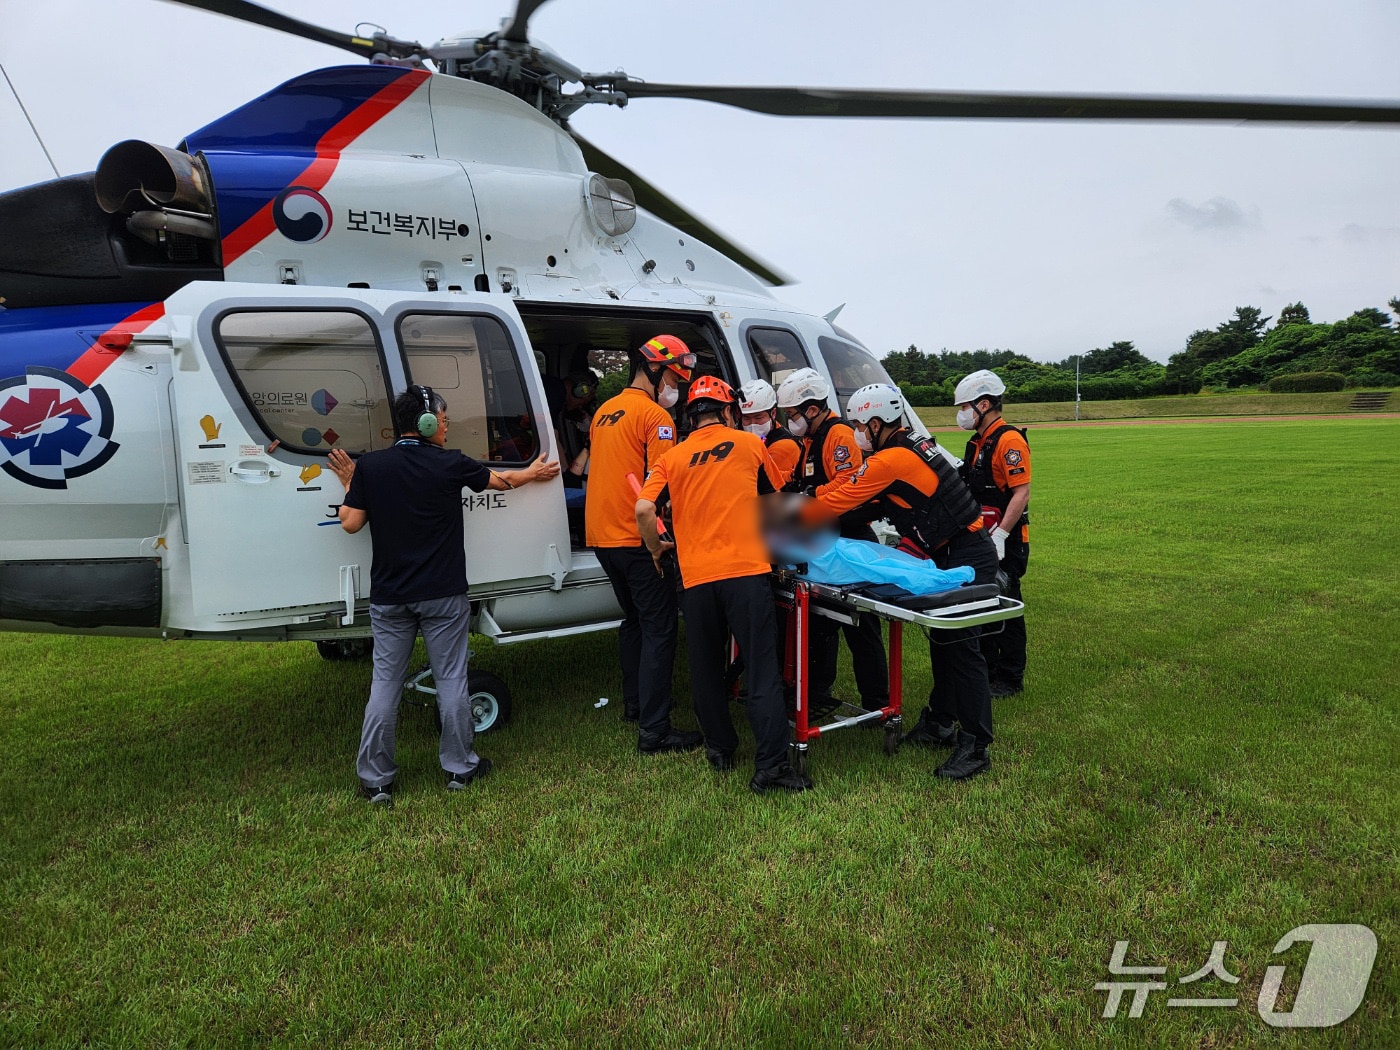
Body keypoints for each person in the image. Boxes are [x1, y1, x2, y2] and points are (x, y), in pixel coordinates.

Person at [328, 385, 559, 805]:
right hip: (443, 595)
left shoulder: (371, 468)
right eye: (445, 420)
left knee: (385, 684)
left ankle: (376, 781)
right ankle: (459, 769)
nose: (448, 427)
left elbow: (350, 524)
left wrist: (351, 483)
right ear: (427, 422)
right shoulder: (450, 463)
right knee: (452, 680)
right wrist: (535, 474)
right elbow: (503, 482)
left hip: (391, 597)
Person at [799, 383, 997, 780]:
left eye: (859, 425)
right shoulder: (909, 447)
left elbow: (841, 501)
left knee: (962, 651)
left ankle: (976, 745)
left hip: (966, 554)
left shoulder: (890, 460)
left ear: (875, 423)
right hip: (951, 549)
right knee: (943, 645)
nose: (856, 432)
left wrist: (786, 518)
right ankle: (940, 722)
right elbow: (862, 497)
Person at [636, 377, 811, 793]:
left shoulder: (673, 457)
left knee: (706, 669)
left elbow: (644, 507)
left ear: (691, 416)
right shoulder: (751, 446)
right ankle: (770, 768)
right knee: (762, 671)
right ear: (729, 411)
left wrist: (656, 549)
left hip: (695, 580)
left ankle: (720, 748)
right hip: (746, 573)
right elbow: (777, 500)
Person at [585, 334, 703, 753]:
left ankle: (636, 703)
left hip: (602, 537)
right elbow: (664, 482)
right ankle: (655, 730)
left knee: (634, 621)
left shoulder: (604, 411)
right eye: (676, 377)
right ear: (656, 369)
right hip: (637, 539)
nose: (679, 387)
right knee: (660, 628)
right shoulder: (658, 418)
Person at [775, 367, 890, 714]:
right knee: (821, 622)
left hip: (850, 538)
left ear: (812, 409)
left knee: (861, 626)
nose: (790, 421)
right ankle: (818, 693)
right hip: (824, 540)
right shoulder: (811, 439)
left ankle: (877, 702)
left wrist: (810, 496)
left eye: (793, 414)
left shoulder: (838, 435)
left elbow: (849, 485)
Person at [954, 369, 1032, 698]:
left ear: (984, 405)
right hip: (982, 536)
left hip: (1006, 538)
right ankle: (987, 669)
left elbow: (1021, 492)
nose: (961, 414)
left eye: (964, 406)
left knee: (1007, 602)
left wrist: (1001, 536)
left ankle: (1011, 677)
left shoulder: (1009, 440)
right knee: (983, 604)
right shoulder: (977, 443)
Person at [738, 378, 803, 490]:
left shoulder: (783, 446)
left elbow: (767, 487)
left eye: (758, 417)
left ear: (773, 413)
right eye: (746, 418)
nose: (752, 424)